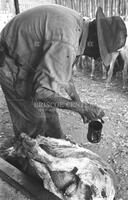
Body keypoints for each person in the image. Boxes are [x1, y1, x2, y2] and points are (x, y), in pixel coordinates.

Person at [0, 5, 126, 140]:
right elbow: (41, 92)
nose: (96, 59)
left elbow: (64, 75)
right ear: (94, 40)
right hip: (11, 60)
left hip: (30, 59)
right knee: (33, 121)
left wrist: (79, 103)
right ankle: (26, 155)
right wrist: (81, 108)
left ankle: (58, 145)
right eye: (99, 54)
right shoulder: (67, 42)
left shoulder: (79, 28)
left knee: (49, 111)